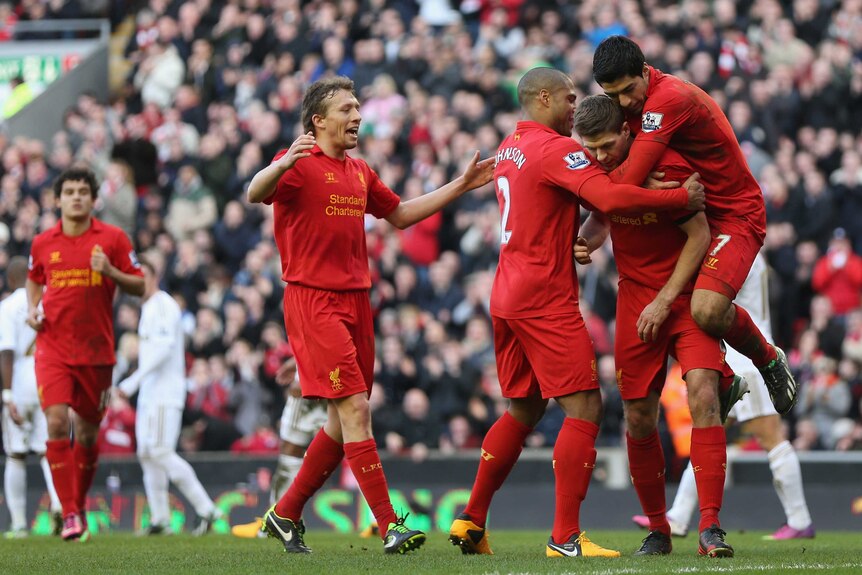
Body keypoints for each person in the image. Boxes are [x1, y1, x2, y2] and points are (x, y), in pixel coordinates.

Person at [447, 68, 705, 560]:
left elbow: (551, 207)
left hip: (505, 292)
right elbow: (607, 197)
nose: (574, 107)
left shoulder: (510, 146)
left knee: (524, 408)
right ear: (543, 97)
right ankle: (565, 537)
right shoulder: (555, 149)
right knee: (585, 407)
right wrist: (677, 197)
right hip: (544, 297)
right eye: (568, 99)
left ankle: (472, 518)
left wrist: (581, 235)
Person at [246, 75, 495, 555]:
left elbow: (400, 214)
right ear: (318, 120)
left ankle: (284, 513)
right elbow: (255, 192)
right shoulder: (297, 162)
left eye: (358, 108)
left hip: (358, 301)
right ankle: (390, 525)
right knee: (357, 410)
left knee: (343, 424)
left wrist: (461, 185)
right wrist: (280, 165)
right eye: (346, 109)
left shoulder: (359, 170)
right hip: (313, 299)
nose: (357, 115)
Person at [573, 94, 746, 557]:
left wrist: (666, 299)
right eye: (592, 149)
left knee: (704, 397)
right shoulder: (595, 174)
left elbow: (700, 235)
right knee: (638, 416)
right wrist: (583, 242)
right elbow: (600, 218)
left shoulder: (669, 166)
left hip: (684, 298)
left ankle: (710, 527)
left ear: (629, 132)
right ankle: (658, 528)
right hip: (633, 302)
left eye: (608, 145)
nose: (601, 156)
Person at [592, 35, 798, 416]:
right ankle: (721, 379)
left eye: (628, 90)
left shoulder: (668, 99)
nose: (623, 103)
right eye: (612, 94)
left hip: (734, 215)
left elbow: (620, 184)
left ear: (644, 71)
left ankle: (768, 359)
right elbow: (619, 177)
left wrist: (640, 180)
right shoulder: (629, 105)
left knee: (705, 309)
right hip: (691, 212)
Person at [633, 253, 815, 541]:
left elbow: (713, 296)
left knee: (771, 438)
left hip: (748, 356)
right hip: (737, 350)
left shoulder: (737, 253)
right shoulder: (752, 253)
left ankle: (800, 519)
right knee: (709, 435)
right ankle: (678, 516)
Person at [25, 166, 145, 541]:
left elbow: (140, 285)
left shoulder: (112, 238)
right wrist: (33, 308)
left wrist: (110, 270)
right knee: (58, 423)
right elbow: (33, 278)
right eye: (69, 191)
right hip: (52, 349)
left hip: (96, 354)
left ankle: (76, 503)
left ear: (94, 200)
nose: (76, 197)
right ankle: (72, 512)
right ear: (57, 199)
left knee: (89, 437)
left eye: (83, 192)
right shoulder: (43, 242)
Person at [115, 259, 221, 536]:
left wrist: (132, 381)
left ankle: (207, 510)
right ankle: (160, 519)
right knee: (146, 453)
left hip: (164, 393)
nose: (139, 282)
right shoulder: (148, 307)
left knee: (161, 451)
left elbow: (163, 350)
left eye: (143, 276)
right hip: (150, 393)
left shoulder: (163, 305)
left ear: (154, 278)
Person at [1, 256, 63, 538]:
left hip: (21, 382)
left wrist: (7, 393)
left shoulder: (7, 307)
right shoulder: (47, 300)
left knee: (15, 454)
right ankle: (60, 504)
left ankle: (18, 524)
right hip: (48, 378)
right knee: (47, 450)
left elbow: (6, 352)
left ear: (9, 279)